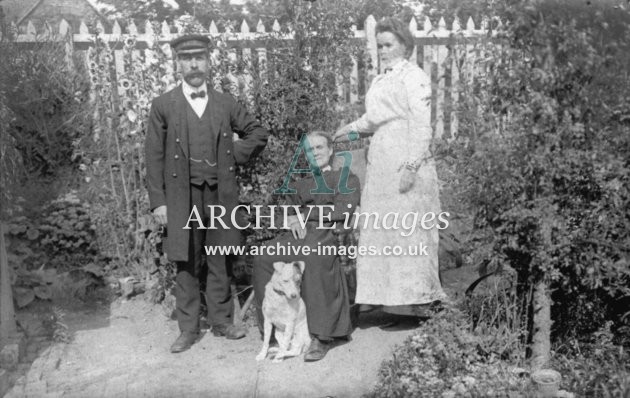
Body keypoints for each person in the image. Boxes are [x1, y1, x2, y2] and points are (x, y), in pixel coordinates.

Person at [145, 34, 269, 353]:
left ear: (208, 60)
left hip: (219, 195)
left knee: (220, 258)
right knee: (186, 261)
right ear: (178, 63)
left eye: (199, 57)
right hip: (180, 197)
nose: (194, 64)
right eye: (187, 59)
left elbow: (257, 132)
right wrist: (158, 201)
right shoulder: (163, 106)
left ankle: (222, 321)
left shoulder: (225, 103)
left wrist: (230, 152)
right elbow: (153, 157)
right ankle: (188, 328)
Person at [333, 18, 447, 317]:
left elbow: (423, 127)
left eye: (389, 44)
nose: (383, 50)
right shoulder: (381, 79)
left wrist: (411, 166)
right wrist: (348, 129)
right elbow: (373, 119)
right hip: (382, 157)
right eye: (380, 45)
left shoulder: (415, 76)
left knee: (408, 230)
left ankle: (417, 304)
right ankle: (389, 302)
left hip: (406, 156)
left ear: (405, 45)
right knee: (383, 230)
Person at [252, 131, 361, 362]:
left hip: (327, 231)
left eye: (320, 147)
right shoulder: (300, 183)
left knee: (312, 255)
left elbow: (344, 209)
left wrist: (303, 214)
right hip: (298, 232)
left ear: (331, 150)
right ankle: (274, 332)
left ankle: (322, 335)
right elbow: (287, 210)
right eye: (310, 150)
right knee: (263, 256)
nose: (315, 153)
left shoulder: (345, 177)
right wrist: (292, 218)